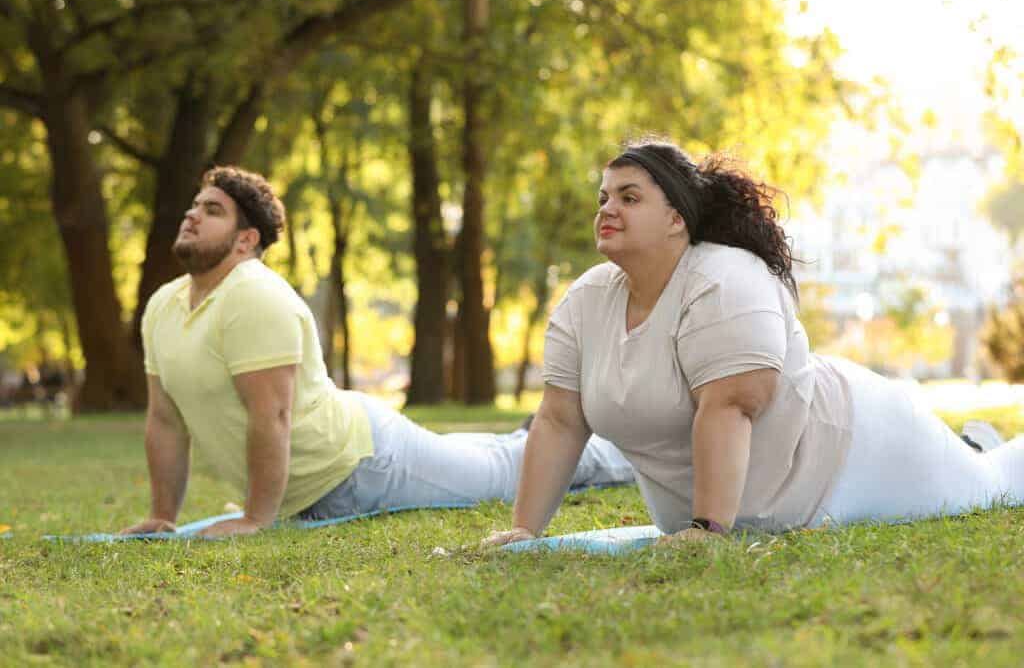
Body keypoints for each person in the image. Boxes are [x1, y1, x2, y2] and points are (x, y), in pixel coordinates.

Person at [483, 139, 1024, 548]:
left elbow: (731, 405)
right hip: (736, 509)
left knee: (991, 483)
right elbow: (559, 420)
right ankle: (977, 442)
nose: (607, 209)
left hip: (859, 454)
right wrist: (525, 531)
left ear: (676, 219)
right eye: (604, 197)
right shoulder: (586, 300)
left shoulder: (725, 279)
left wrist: (707, 529)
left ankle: (980, 451)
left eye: (629, 197)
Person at [121, 166, 634, 539]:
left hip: (361, 468)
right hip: (345, 450)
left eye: (212, 211)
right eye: (194, 206)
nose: (192, 215)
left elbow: (271, 414)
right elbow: (165, 420)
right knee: (485, 456)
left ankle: (632, 453)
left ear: (245, 240)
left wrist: (256, 519)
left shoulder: (251, 294)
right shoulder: (165, 305)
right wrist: (162, 517)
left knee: (505, 471)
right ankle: (525, 436)